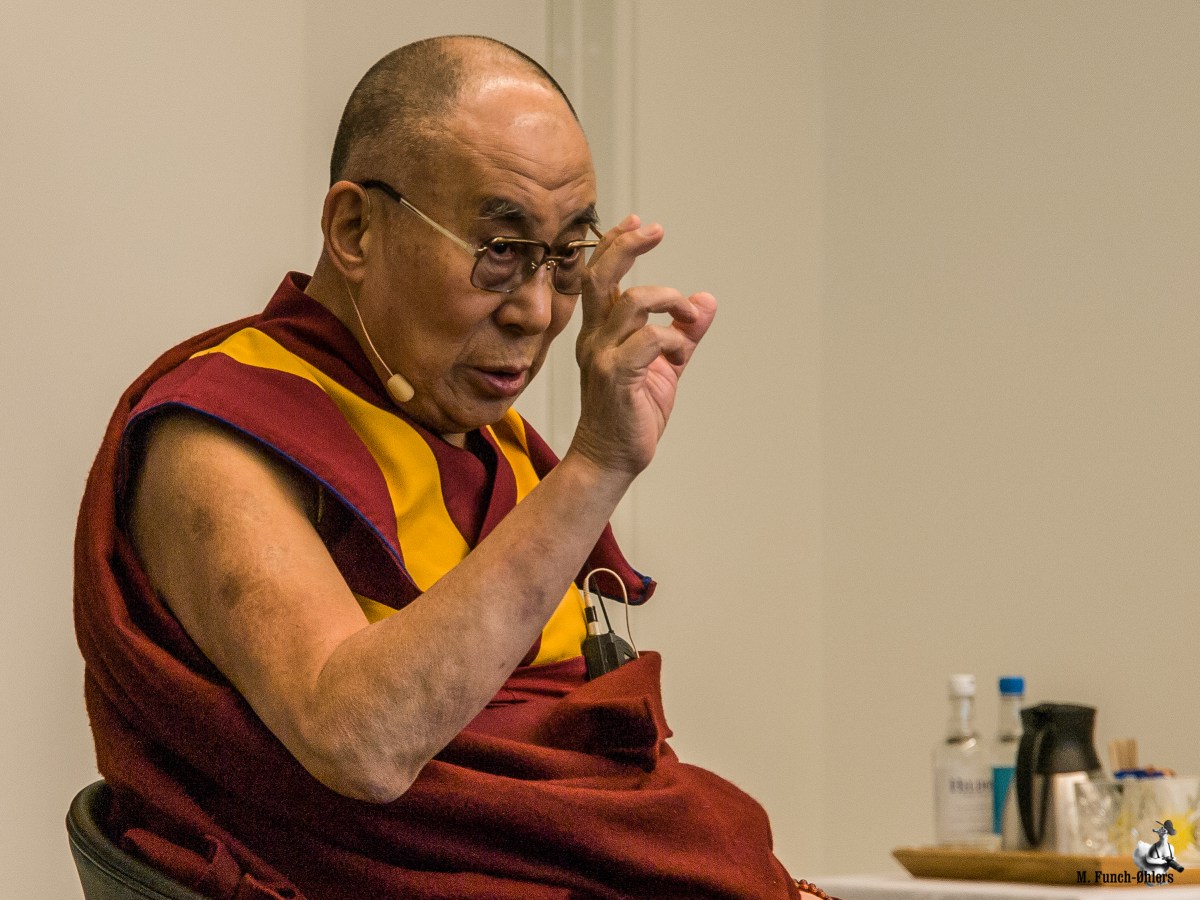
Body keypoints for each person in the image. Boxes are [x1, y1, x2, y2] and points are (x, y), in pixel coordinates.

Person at [75, 35, 827, 899]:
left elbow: (586, 773)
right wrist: (596, 466)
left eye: (565, 257)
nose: (538, 312)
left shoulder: (498, 453)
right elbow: (361, 743)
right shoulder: (219, 433)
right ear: (355, 228)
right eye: (500, 249)